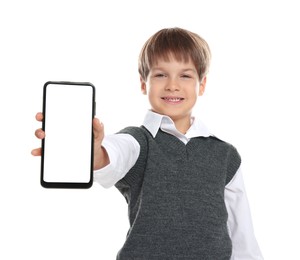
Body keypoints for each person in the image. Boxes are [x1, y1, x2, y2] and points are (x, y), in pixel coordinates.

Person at [32, 27, 263, 259]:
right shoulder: (138, 141)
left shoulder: (225, 155)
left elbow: (242, 233)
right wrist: (93, 153)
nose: (173, 85)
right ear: (144, 83)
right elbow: (114, 154)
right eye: (161, 75)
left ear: (201, 85)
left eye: (185, 75)